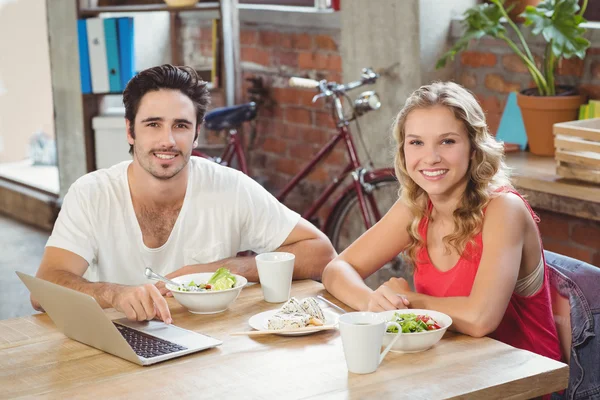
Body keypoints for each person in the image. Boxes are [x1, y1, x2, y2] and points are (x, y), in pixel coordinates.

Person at [32, 64, 336, 324]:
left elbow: (321, 253)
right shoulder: (92, 194)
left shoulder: (230, 187)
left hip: (212, 344)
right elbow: (44, 287)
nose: (168, 140)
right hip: (118, 343)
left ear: (197, 132)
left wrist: (228, 268)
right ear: (130, 130)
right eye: (153, 124)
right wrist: (113, 293)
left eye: (180, 125)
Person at [322, 81, 561, 362]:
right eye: (416, 143)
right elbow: (336, 269)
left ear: (474, 148)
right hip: (448, 364)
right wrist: (373, 302)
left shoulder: (504, 209)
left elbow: (480, 318)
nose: (431, 158)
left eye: (447, 141)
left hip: (522, 376)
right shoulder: (417, 205)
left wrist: (407, 302)